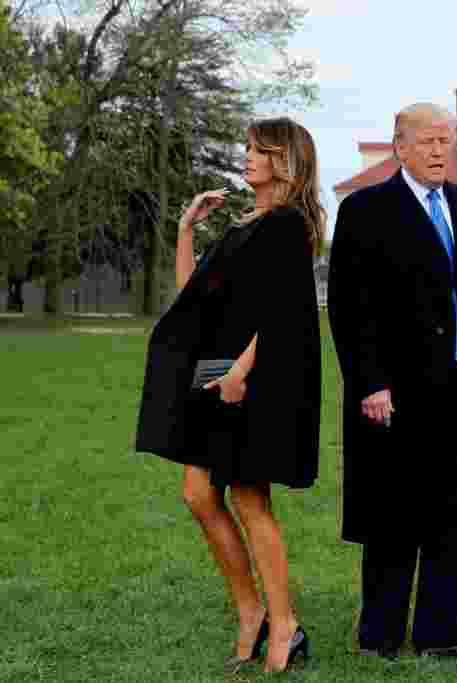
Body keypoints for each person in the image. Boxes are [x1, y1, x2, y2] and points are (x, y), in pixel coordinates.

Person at [136, 117, 324, 672]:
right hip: (215, 372)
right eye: (246, 149)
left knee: (248, 497)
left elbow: (283, 314)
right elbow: (195, 297)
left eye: (256, 150)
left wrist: (242, 372)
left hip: (252, 377)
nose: (246, 158)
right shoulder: (247, 223)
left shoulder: (287, 225)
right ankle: (252, 611)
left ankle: (283, 622)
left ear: (283, 160)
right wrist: (186, 232)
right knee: (197, 493)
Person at [327, 103, 457, 659]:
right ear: (400, 146)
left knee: (451, 514)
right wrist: (370, 383)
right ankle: (379, 637)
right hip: (394, 391)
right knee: (393, 515)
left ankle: (444, 635)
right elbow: (349, 307)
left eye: (445, 141)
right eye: (427, 142)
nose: (438, 151)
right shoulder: (365, 210)